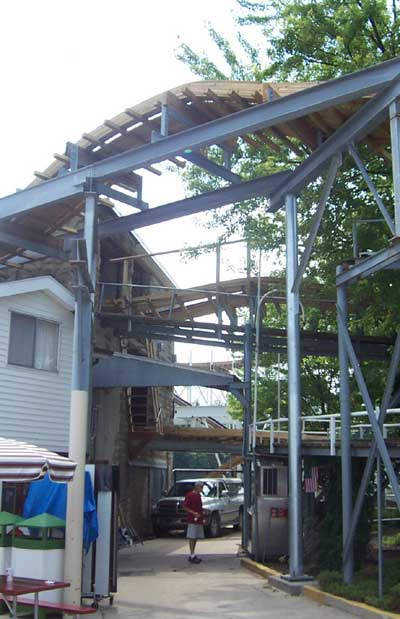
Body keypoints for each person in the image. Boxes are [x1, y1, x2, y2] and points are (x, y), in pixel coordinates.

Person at [183, 481, 204, 564]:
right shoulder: (190, 495)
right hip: (192, 519)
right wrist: (193, 513)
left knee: (195, 537)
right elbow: (185, 506)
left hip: (198, 519)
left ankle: (193, 554)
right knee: (192, 537)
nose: (202, 489)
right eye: (201, 487)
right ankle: (191, 555)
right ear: (197, 487)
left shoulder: (198, 496)